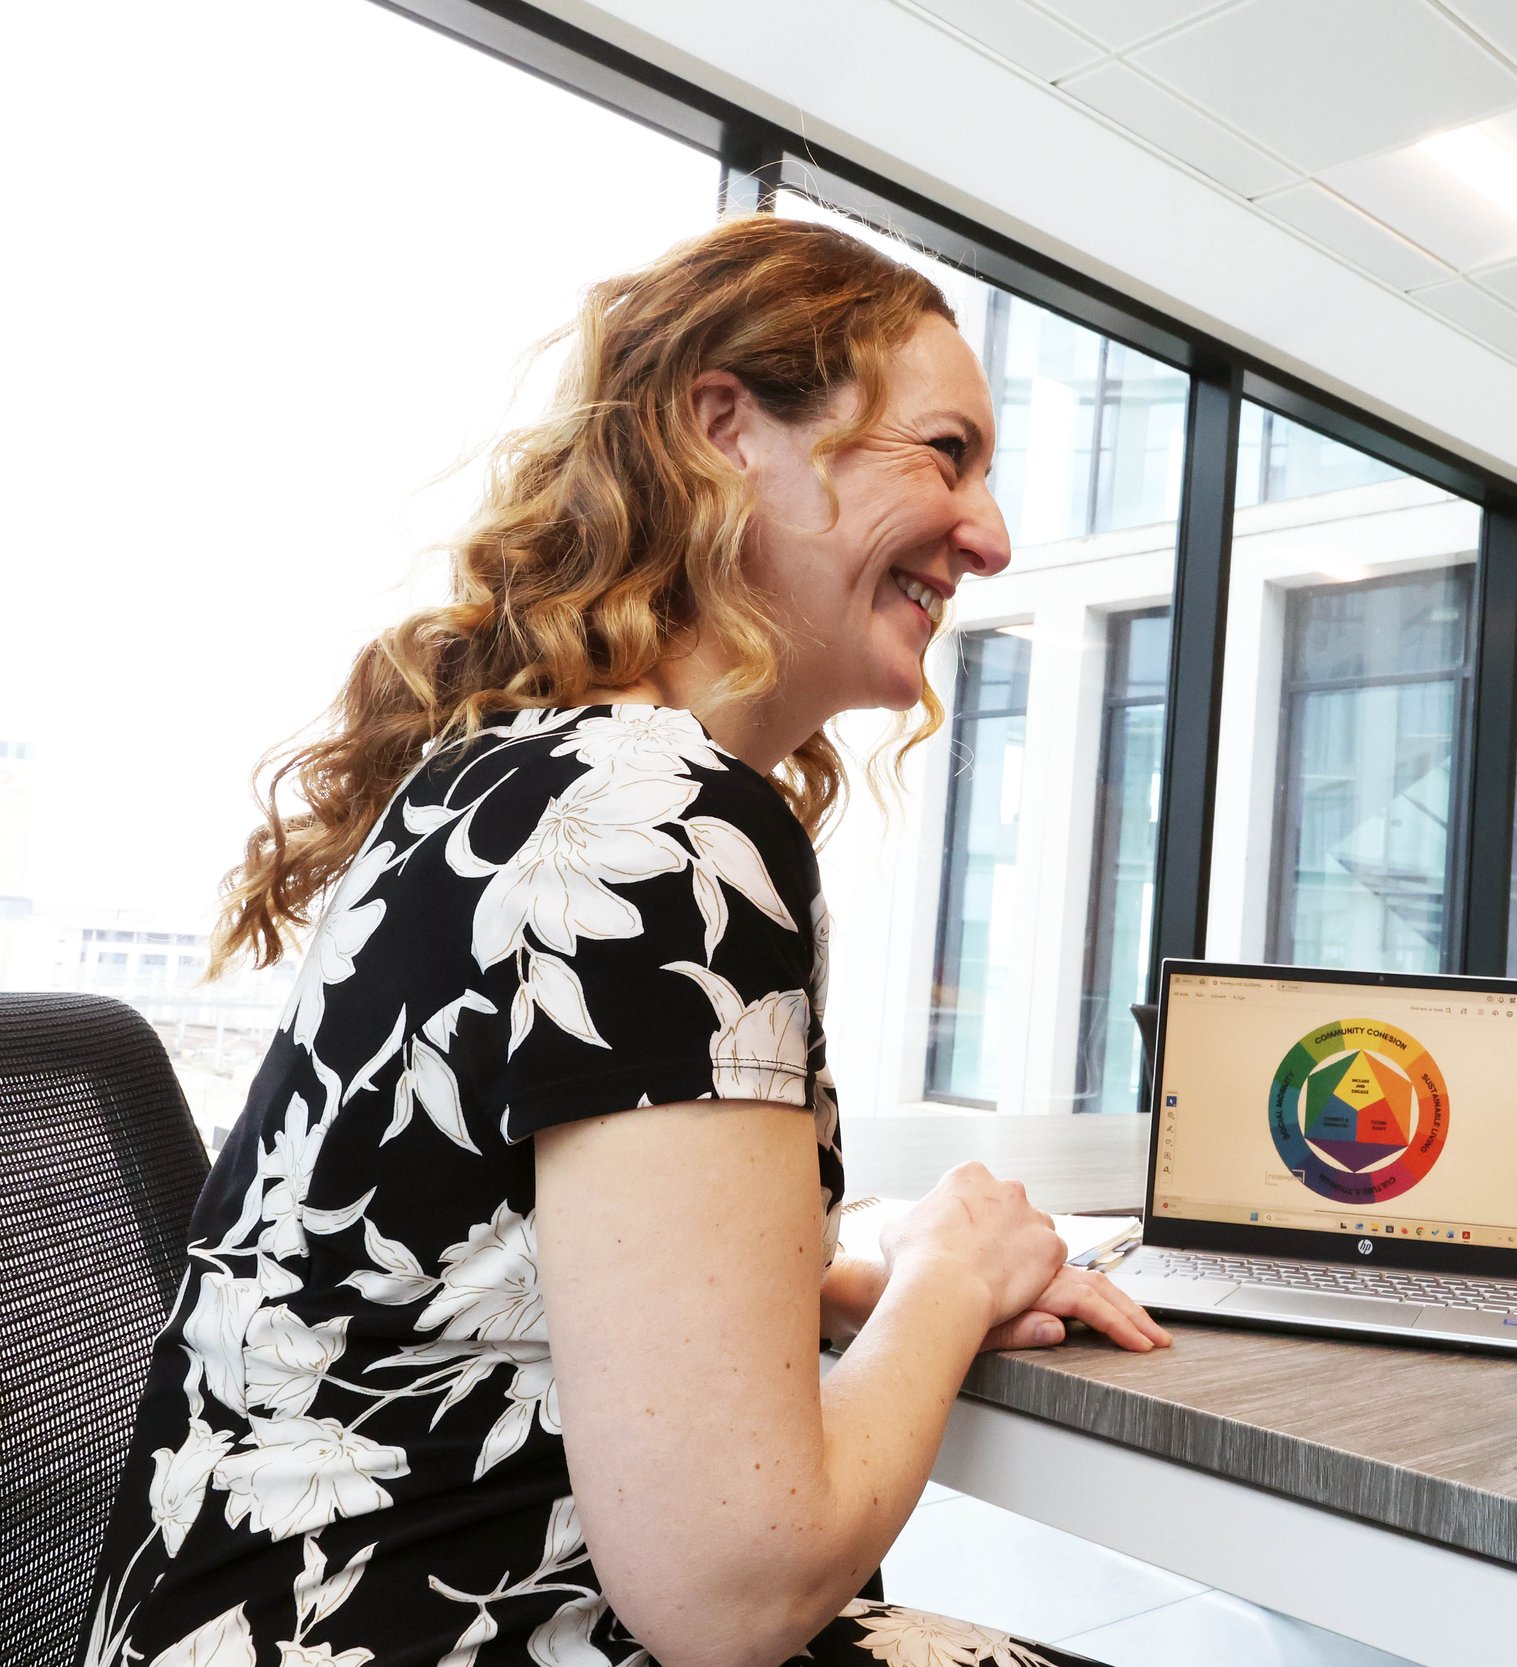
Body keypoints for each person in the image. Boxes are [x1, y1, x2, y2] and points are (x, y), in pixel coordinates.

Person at [85, 214, 1169, 1667]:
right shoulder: (667, 830)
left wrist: (843, 1280)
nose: (993, 535)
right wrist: (952, 1278)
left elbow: (489, 1267)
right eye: (944, 454)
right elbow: (735, 1592)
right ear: (726, 430)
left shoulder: (514, 782)